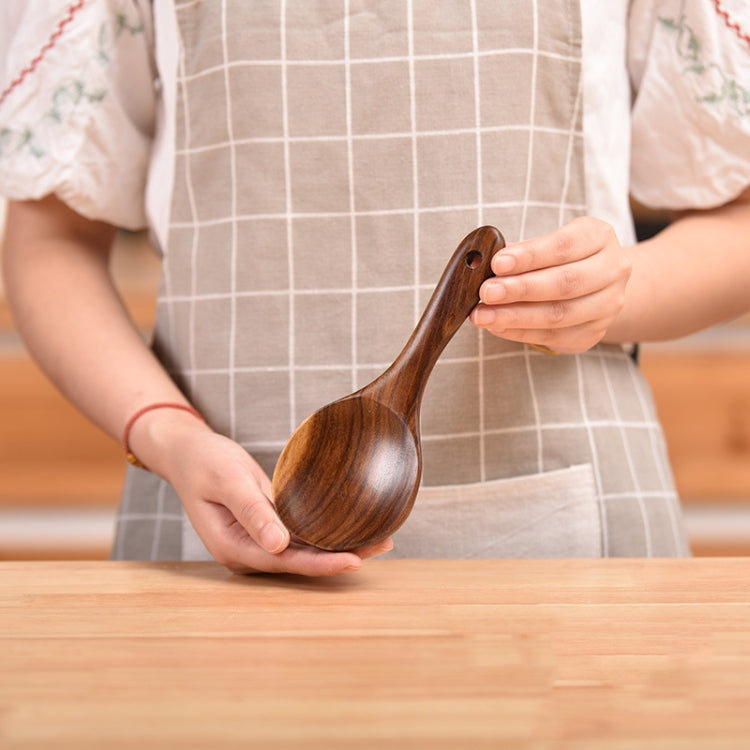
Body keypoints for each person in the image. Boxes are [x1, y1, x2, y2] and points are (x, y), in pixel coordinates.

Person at [1, 0, 749, 576]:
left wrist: (622, 288)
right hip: (215, 531)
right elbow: (50, 240)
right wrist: (169, 435)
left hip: (567, 542)